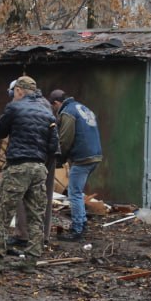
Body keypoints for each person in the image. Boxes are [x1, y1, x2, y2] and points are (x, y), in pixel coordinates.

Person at [0, 75, 58, 273]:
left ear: (19, 91)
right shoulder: (48, 111)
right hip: (39, 168)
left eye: (15, 92)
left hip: (18, 166)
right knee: (35, 215)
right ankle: (30, 261)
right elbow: (54, 145)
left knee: (4, 214)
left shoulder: (14, 107)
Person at [47, 89, 103, 241]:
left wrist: (59, 158)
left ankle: (78, 229)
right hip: (95, 155)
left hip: (83, 158)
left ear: (56, 103)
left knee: (74, 193)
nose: (54, 110)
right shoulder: (83, 107)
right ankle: (82, 222)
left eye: (53, 107)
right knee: (77, 191)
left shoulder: (68, 112)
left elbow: (65, 139)